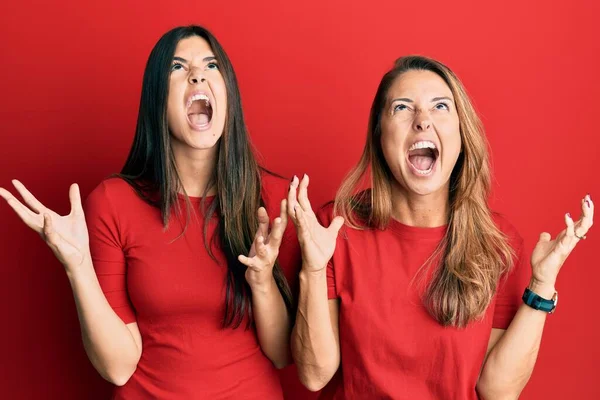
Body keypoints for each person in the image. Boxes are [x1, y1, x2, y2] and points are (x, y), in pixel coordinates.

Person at [0, 25, 300, 399]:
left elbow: (284, 353)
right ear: (157, 100)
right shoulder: (113, 203)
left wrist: (262, 281)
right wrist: (77, 267)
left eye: (211, 65)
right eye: (178, 67)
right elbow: (118, 366)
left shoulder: (274, 200)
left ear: (229, 94)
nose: (197, 74)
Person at [287, 55, 594, 399]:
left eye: (440, 107)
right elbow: (314, 375)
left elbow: (498, 391)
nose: (422, 121)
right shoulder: (336, 228)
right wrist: (313, 270)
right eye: (402, 108)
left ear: (462, 135)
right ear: (379, 136)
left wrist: (542, 284)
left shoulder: (497, 242)